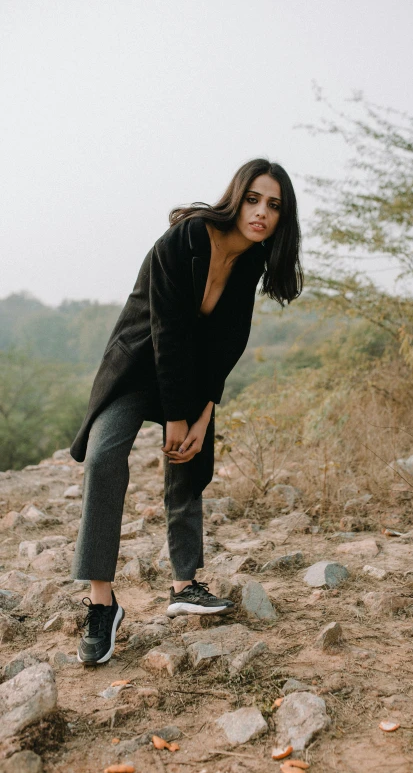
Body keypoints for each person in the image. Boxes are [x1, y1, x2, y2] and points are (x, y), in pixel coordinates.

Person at [69, 158, 303, 664]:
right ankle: (100, 604)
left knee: (188, 464)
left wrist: (201, 415)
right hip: (137, 363)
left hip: (192, 375)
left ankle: (185, 585)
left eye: (274, 205)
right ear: (236, 198)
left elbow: (228, 342)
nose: (262, 212)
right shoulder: (189, 237)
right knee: (106, 457)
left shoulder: (252, 263)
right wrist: (177, 414)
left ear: (284, 218)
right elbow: (167, 332)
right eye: (254, 199)